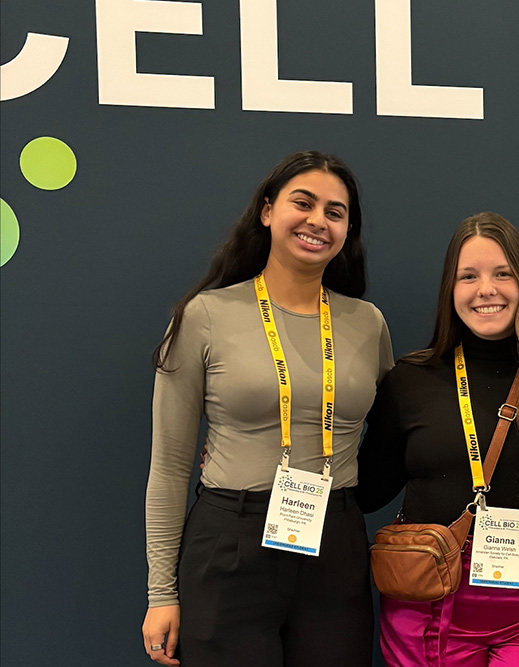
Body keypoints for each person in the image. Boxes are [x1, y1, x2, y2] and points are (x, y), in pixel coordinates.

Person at [141, 151, 393, 667]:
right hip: (230, 539)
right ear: (267, 210)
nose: (317, 220)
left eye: (335, 211)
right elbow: (168, 467)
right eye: (303, 202)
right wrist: (160, 593)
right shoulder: (205, 315)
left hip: (334, 542)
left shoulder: (367, 323)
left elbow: (394, 439)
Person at [357, 212, 519, 666]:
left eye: (502, 274)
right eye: (467, 276)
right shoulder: (411, 381)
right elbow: (368, 490)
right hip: (431, 593)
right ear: (450, 291)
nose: (485, 289)